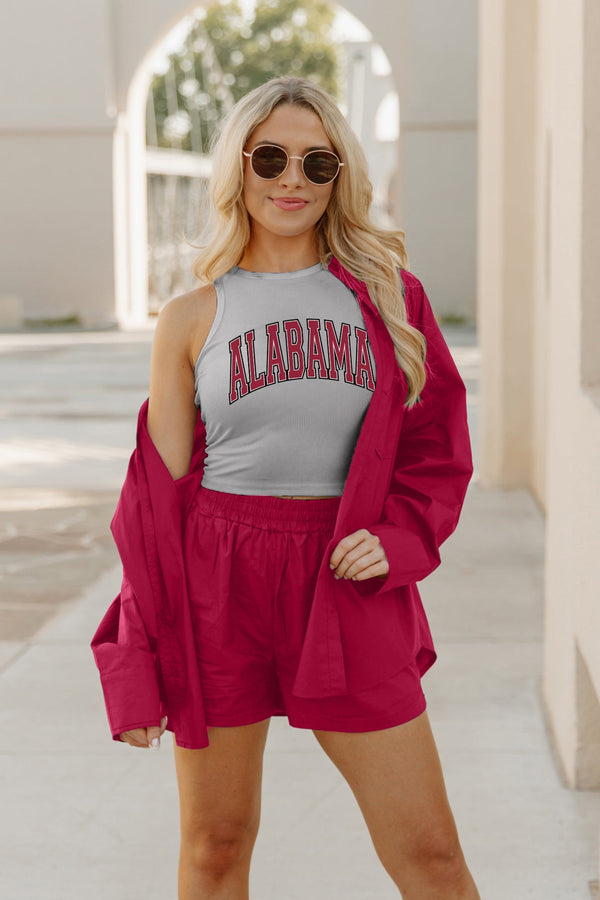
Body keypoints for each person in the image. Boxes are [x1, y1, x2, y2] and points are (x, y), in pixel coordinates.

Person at [91, 75, 480, 899]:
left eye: (317, 161)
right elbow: (154, 506)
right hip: (217, 582)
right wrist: (137, 660)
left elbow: (437, 449)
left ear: (341, 176)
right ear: (239, 167)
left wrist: (399, 538)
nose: (292, 178)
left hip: (344, 576)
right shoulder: (191, 316)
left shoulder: (391, 300)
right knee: (216, 847)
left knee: (431, 854)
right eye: (270, 157)